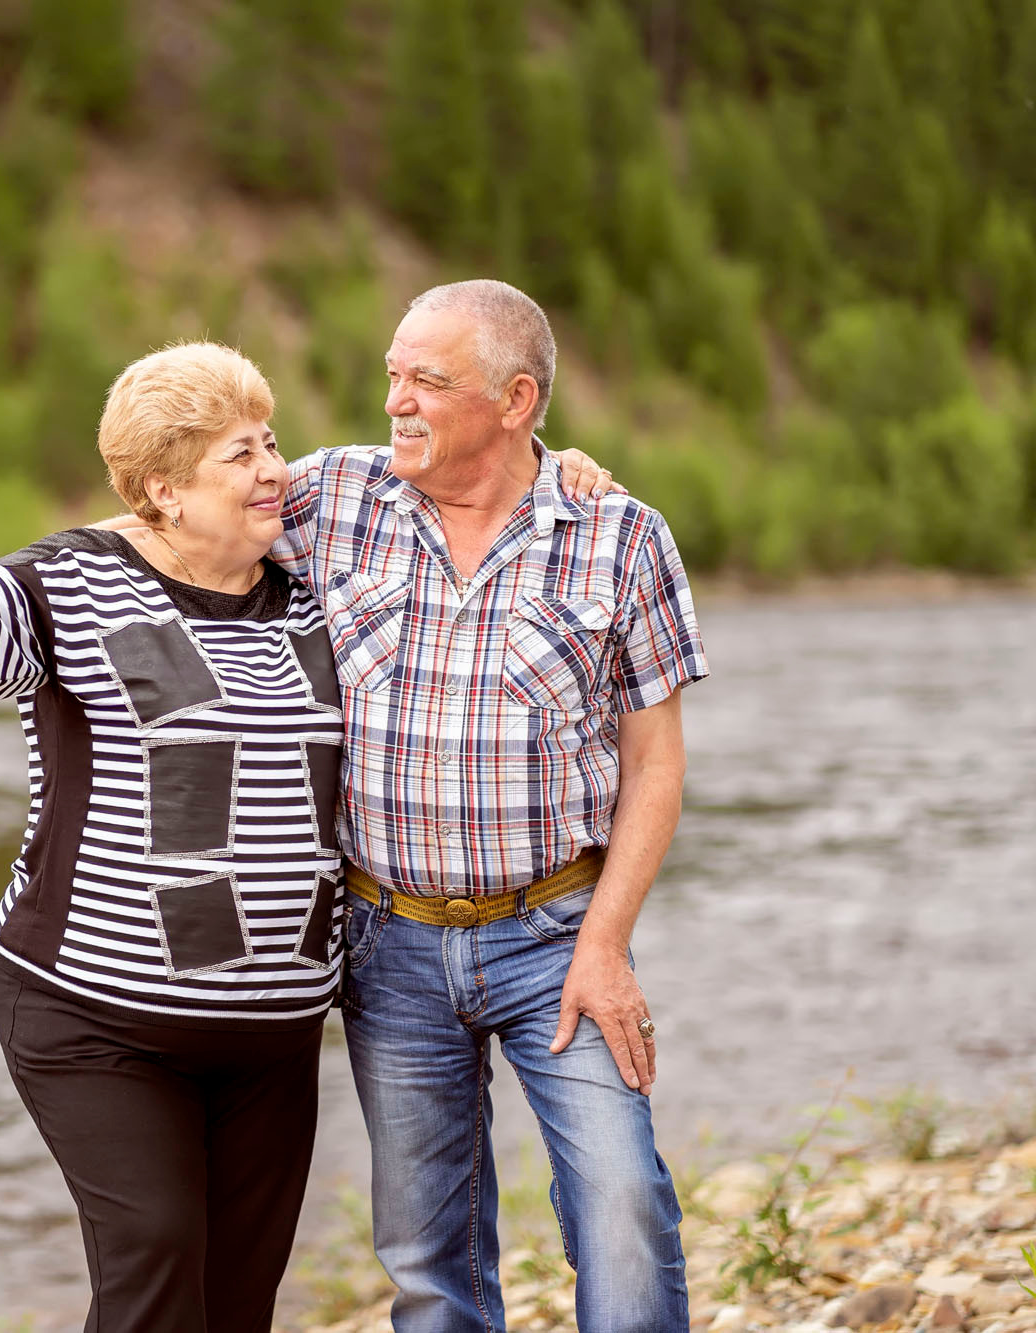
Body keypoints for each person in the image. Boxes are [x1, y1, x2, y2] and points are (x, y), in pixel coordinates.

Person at [0, 339, 612, 1332]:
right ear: (163, 489)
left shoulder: (306, 593)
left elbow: (455, 492)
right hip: (96, 1017)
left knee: (236, 1301)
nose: (273, 469)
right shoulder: (75, 583)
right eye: (238, 454)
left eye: (270, 442)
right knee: (155, 1251)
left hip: (268, 1031)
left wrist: (560, 468)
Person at [270, 279, 707, 1333]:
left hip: (559, 934)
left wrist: (605, 943)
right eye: (390, 374)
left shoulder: (618, 536)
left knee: (618, 1200)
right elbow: (172, 514)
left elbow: (653, 767)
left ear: (515, 401)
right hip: (385, 943)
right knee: (427, 1254)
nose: (394, 402)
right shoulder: (330, 497)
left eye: (426, 380)